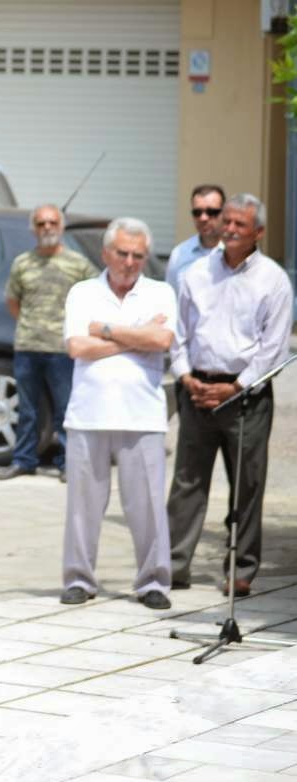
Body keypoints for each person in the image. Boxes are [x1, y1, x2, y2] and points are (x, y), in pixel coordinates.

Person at [167, 194, 293, 597]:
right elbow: (178, 334)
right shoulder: (196, 273)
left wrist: (236, 386)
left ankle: (240, 569)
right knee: (187, 482)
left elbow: (274, 348)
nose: (230, 229)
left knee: (247, 485)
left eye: (241, 224)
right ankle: (173, 565)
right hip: (197, 391)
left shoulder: (274, 280)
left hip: (246, 397)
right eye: (228, 221)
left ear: (259, 232)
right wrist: (186, 377)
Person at [60, 218, 176, 610]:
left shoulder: (160, 292)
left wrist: (105, 330)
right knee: (83, 507)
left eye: (138, 256)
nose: (129, 262)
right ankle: (78, 579)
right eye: (122, 253)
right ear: (106, 253)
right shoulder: (83, 292)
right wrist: (136, 337)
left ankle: (153, 582)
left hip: (142, 415)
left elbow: (162, 339)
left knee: (147, 507)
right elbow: (77, 347)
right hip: (88, 413)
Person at [0, 204, 98, 482]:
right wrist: (31, 325)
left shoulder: (77, 263)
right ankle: (23, 460)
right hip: (27, 346)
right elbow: (13, 301)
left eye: (52, 222)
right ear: (34, 229)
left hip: (62, 349)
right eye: (41, 223)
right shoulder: (23, 263)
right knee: (27, 410)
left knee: (65, 409)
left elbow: (96, 294)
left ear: (61, 226)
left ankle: (67, 463)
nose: (47, 228)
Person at [165, 184, 225, 293]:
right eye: (197, 212)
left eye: (211, 212)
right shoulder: (179, 254)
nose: (203, 218)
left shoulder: (237, 253)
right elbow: (171, 297)